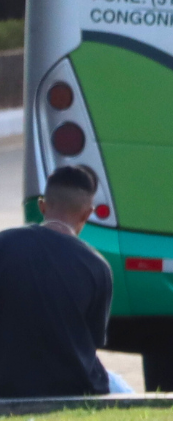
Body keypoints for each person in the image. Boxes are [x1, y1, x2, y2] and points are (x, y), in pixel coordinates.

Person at [0, 166, 113, 398]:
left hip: (7, 386)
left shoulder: (4, 245)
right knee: (122, 388)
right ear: (86, 214)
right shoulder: (98, 267)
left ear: (42, 206)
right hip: (74, 388)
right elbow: (92, 342)